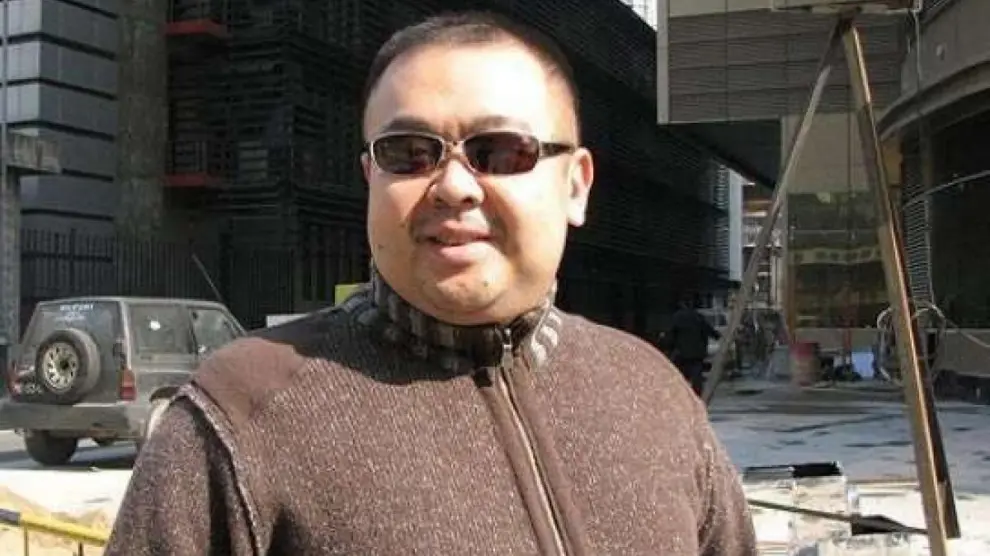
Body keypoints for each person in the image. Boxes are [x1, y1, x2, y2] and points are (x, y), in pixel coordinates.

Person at [105, 11, 756, 555]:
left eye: (500, 152)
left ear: (575, 185)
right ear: (371, 178)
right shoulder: (239, 413)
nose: (453, 186)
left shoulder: (652, 395)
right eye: (410, 154)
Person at [668, 298, 723, 396]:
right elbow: (709, 330)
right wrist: (719, 336)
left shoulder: (677, 317)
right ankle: (697, 395)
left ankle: (683, 394)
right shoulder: (698, 317)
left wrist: (671, 348)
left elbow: (671, 335)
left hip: (682, 353)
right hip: (697, 353)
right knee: (696, 376)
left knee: (681, 376)